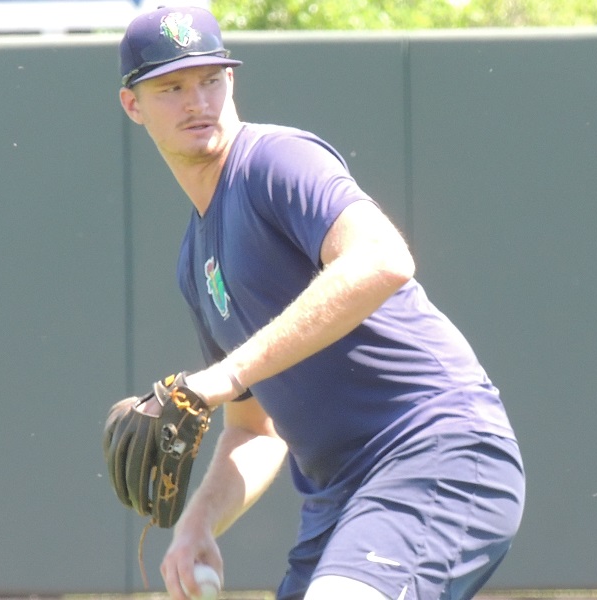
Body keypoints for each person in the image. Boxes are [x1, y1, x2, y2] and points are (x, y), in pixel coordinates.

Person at [117, 6, 525, 600]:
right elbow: (256, 429)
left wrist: (224, 374)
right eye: (171, 87)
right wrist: (199, 520)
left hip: (433, 448)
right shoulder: (194, 258)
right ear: (133, 105)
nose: (196, 101)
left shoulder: (274, 162)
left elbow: (383, 259)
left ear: (231, 82)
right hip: (340, 499)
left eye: (210, 79)